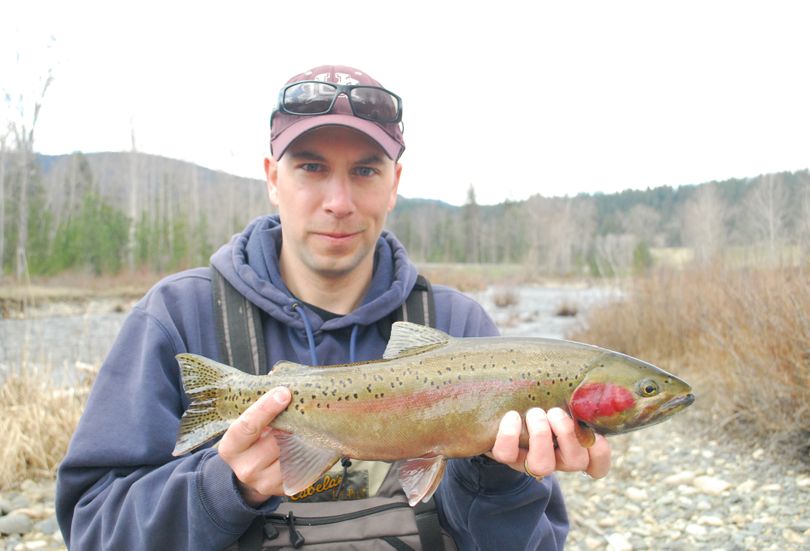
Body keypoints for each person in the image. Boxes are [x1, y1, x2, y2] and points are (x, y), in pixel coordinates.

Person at [56, 65, 611, 550]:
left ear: (396, 184)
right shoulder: (179, 318)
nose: (338, 203)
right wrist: (220, 487)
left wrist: (499, 481)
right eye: (311, 168)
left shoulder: (460, 327)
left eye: (366, 170)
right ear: (273, 177)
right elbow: (91, 529)